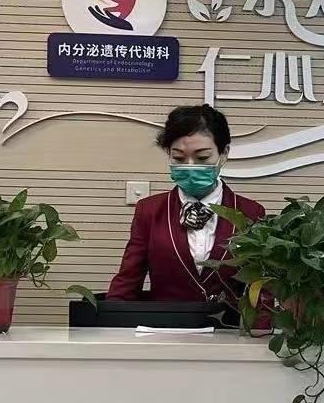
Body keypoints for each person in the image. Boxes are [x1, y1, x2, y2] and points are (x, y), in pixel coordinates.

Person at [106, 105, 266, 313]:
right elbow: (128, 280)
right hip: (165, 326)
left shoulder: (250, 212)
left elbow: (261, 289)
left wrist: (260, 329)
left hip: (228, 328)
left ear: (224, 153)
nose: (190, 166)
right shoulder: (150, 211)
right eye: (179, 158)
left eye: (202, 158)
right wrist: (109, 322)